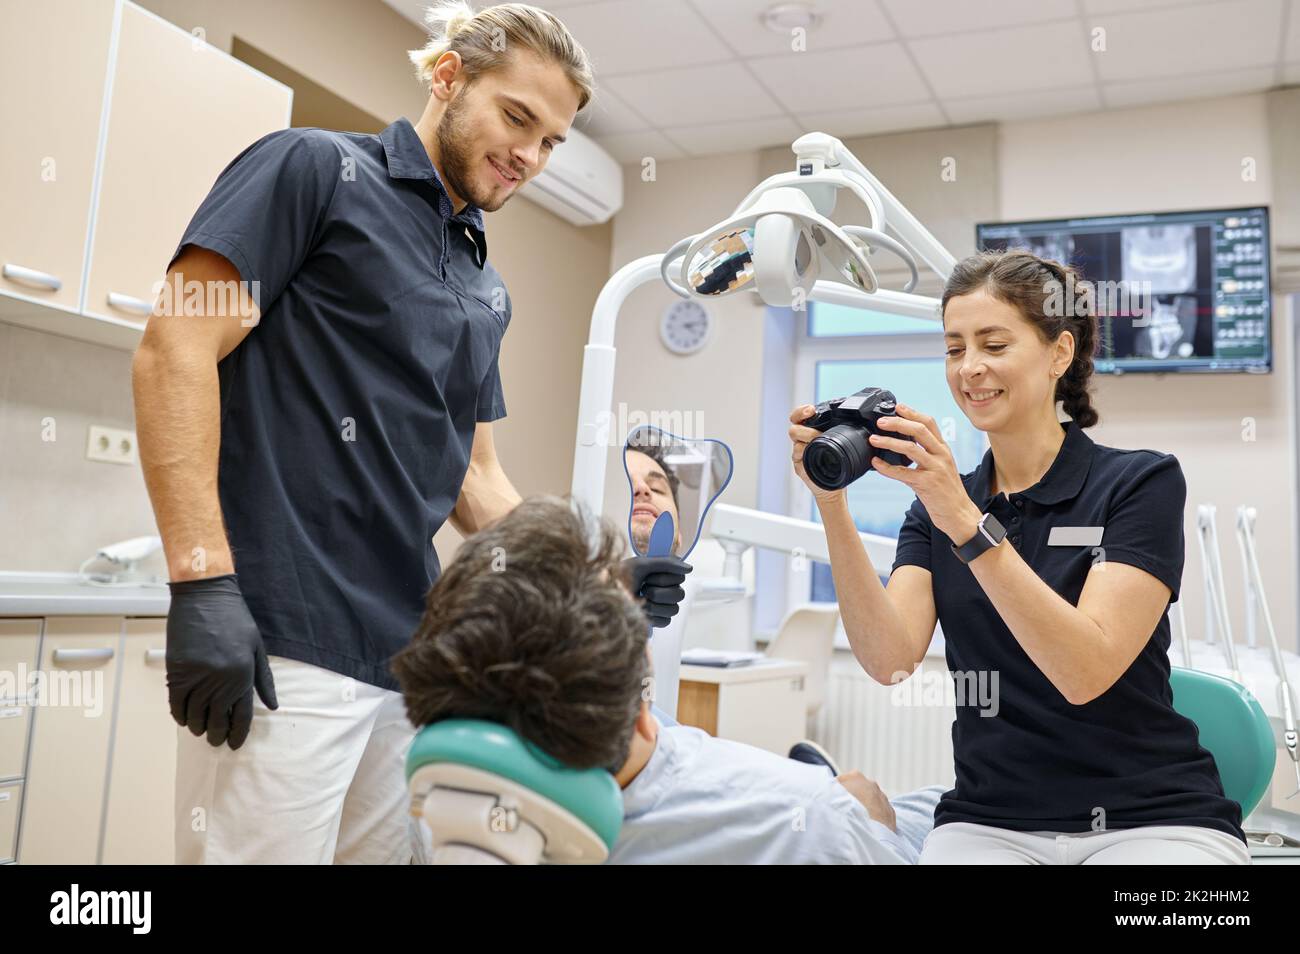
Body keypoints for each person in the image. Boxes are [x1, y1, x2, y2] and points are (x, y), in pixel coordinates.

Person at [132, 1, 683, 864]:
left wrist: (602, 580)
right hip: (283, 639)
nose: (531, 156)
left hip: (407, 661)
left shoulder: (480, 282)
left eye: (552, 142)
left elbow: (474, 481)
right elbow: (175, 347)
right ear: (449, 77)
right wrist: (202, 583)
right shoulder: (314, 168)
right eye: (517, 118)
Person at [787, 249, 1250, 865]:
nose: (969, 368)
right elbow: (889, 660)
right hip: (991, 822)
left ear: (1059, 353)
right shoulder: (934, 510)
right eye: (955, 349)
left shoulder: (1139, 483)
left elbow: (1084, 671)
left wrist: (967, 522)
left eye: (994, 344)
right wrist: (831, 507)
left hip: (1152, 817)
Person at [393, 495, 943, 865]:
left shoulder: (444, 808)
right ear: (640, 712)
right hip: (880, 828)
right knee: (922, 804)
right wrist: (871, 823)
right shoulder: (806, 820)